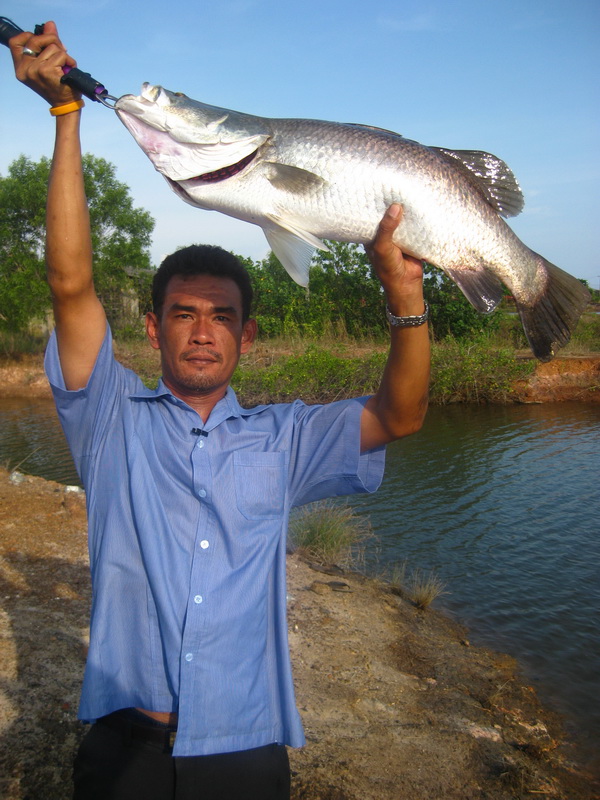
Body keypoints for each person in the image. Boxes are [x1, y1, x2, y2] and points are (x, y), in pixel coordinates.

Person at [10, 22, 430, 800]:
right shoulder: (109, 421)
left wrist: (405, 300)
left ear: (247, 333)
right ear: (153, 326)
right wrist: (67, 120)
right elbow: (71, 284)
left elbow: (398, 415)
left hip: (246, 746)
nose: (202, 331)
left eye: (221, 316)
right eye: (182, 313)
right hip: (124, 745)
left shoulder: (286, 438)